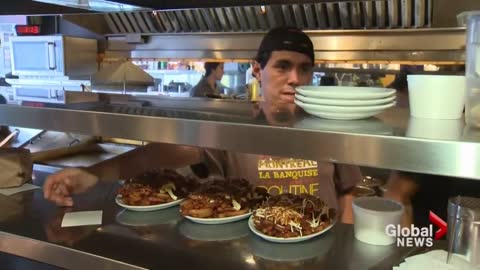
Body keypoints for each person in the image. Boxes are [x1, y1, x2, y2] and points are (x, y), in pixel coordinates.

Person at [43, 27, 362, 223]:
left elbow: (348, 192)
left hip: (320, 242)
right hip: (255, 244)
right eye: (283, 66)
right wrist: (94, 173)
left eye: (304, 69)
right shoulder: (233, 126)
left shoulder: (327, 129)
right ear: (257, 69)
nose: (295, 78)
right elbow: (161, 154)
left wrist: (343, 249)